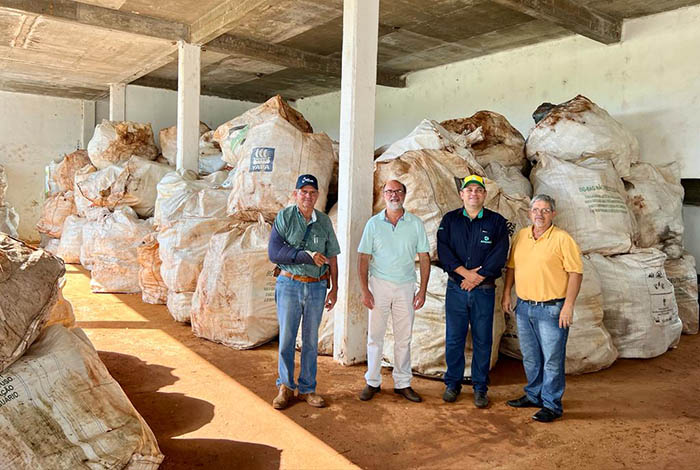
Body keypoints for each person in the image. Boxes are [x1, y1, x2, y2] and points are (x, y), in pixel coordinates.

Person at [501, 194, 583, 423]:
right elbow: (511, 267)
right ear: (529, 213)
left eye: (545, 210)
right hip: (525, 307)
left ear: (553, 214)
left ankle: (551, 404)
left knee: (552, 360)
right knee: (530, 357)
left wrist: (568, 306)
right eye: (535, 209)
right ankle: (534, 395)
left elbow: (576, 273)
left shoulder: (562, 239)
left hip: (552, 309)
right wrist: (507, 293)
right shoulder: (521, 236)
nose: (539, 214)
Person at [267, 174, 340, 410]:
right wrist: (305, 256)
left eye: (312, 192)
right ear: (296, 194)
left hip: (317, 286)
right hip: (290, 283)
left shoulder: (324, 222)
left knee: (310, 340)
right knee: (287, 338)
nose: (308, 196)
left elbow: (332, 257)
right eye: (303, 192)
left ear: (317, 195)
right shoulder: (285, 217)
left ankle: (308, 388)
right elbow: (274, 253)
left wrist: (335, 287)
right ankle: (285, 387)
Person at [437, 174, 509, 408]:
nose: (473, 194)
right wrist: (465, 274)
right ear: (461, 195)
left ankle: (480, 387)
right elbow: (444, 250)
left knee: (482, 339)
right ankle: (453, 383)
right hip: (456, 289)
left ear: (484, 195)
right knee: (455, 338)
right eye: (469, 190)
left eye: (478, 190)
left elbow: (499, 253)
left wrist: (477, 277)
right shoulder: (450, 220)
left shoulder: (497, 222)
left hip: (484, 290)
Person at [357, 179, 431, 403]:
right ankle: (372, 381)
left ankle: (403, 383)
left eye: (398, 191)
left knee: (403, 337)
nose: (393, 195)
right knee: (375, 336)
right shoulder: (373, 224)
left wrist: (422, 291)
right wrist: (365, 290)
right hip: (378, 285)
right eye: (389, 191)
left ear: (405, 195)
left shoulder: (415, 224)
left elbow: (424, 257)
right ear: (383, 194)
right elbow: (363, 257)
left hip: (406, 286)